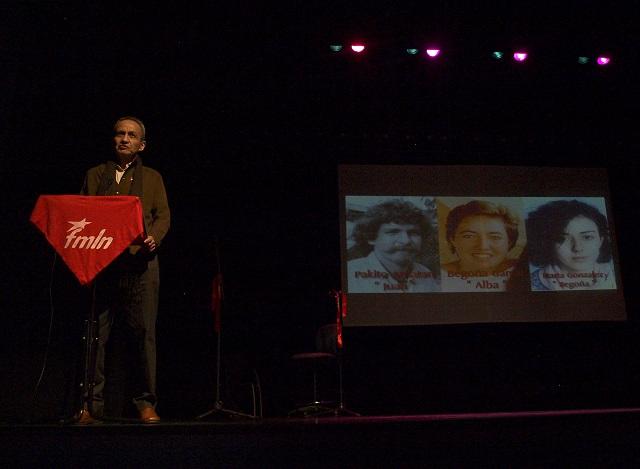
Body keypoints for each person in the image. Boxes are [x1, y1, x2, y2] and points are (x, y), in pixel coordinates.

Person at [81, 116, 170, 422]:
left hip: (140, 264)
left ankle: (145, 402)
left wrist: (153, 239)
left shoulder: (153, 177)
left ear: (141, 144)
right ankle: (90, 405)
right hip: (103, 264)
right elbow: (83, 213)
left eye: (131, 135)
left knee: (143, 334)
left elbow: (163, 216)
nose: (124, 138)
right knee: (96, 333)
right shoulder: (95, 175)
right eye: (119, 133)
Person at [347, 199, 439, 293]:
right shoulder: (350, 274)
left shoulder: (424, 273)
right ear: (371, 237)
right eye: (393, 232)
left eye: (413, 233)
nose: (406, 241)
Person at [526, 199, 616, 291]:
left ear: (601, 241)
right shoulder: (530, 285)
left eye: (587, 237)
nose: (577, 248)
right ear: (547, 243)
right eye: (562, 239)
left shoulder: (614, 276)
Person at [441, 200, 521, 292]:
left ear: (509, 242)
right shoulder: (436, 276)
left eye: (495, 237)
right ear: (452, 240)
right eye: (469, 236)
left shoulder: (523, 271)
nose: (483, 246)